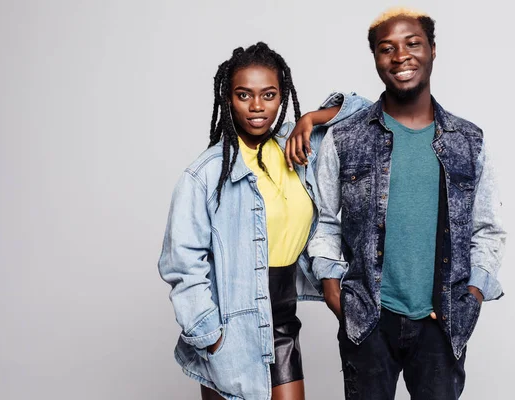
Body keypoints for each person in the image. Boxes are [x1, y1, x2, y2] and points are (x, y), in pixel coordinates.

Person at [289, 7, 507, 400]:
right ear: (375, 58)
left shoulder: (468, 140)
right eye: (386, 48)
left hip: (442, 323)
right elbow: (323, 221)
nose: (400, 56)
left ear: (433, 50)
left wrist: (472, 294)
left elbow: (487, 228)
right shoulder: (346, 138)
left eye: (412, 44)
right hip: (368, 319)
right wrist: (334, 288)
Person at [157, 42, 367, 400]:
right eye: (244, 95)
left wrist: (311, 118)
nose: (257, 107)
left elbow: (363, 111)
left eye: (268, 95)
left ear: (282, 96)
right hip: (231, 326)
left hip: (283, 316)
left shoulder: (296, 145)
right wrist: (211, 336)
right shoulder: (206, 175)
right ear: (228, 99)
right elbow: (182, 264)